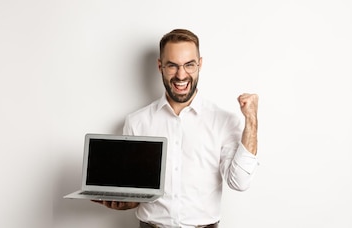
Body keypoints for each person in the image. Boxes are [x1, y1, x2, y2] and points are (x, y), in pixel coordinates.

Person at [93, 28, 259, 228]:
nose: (181, 75)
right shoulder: (137, 122)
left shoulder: (223, 120)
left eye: (189, 65)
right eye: (172, 66)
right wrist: (125, 201)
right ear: (160, 66)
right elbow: (137, 190)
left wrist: (251, 121)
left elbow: (239, 182)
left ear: (200, 64)